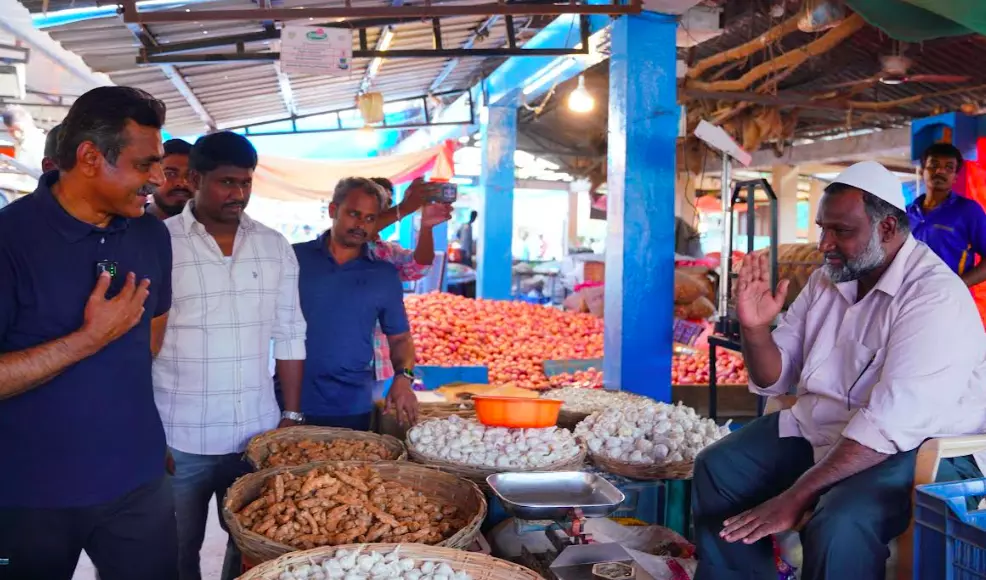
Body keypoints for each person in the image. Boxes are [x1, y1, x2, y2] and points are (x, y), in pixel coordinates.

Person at [692, 161, 986, 580]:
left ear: (886, 229)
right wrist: (755, 330)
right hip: (832, 429)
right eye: (822, 228)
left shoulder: (933, 297)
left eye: (841, 231)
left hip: (916, 448)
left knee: (840, 521)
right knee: (718, 467)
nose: (824, 243)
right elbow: (774, 376)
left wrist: (795, 497)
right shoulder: (827, 281)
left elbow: (887, 427)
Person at [0, 86, 178, 580]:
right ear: (89, 157)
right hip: (27, 495)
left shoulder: (150, 235)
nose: (159, 179)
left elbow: (149, 343)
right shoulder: (10, 240)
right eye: (145, 165)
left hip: (137, 484)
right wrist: (86, 340)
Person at [153, 131, 307, 580]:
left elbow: (290, 331)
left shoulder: (274, 246)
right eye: (226, 182)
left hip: (253, 433)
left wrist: (292, 415)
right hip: (178, 436)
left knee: (253, 548)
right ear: (195, 178)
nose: (238, 194)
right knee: (176, 550)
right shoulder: (158, 243)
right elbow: (138, 344)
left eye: (246, 183)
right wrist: (145, 428)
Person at [294, 177, 419, 431]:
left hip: (352, 407)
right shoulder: (293, 258)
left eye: (370, 218)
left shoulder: (383, 275)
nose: (361, 224)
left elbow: (401, 339)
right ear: (333, 210)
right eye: (354, 214)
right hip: (290, 402)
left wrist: (403, 379)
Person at [367, 177, 452, 403]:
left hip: (377, 358)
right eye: (379, 205)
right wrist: (405, 208)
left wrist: (426, 227)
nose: (385, 211)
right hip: (338, 360)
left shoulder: (386, 251)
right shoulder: (339, 245)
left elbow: (419, 266)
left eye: (388, 205)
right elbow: (361, 231)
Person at [906, 142, 986, 288]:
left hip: (950, 302)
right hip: (907, 299)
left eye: (949, 167)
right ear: (922, 171)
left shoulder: (968, 211)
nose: (940, 171)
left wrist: (958, 285)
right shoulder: (906, 213)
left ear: (955, 177)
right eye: (933, 164)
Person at [146, 138, 194, 220]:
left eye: (189, 175)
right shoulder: (124, 226)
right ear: (152, 177)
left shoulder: (213, 228)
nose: (182, 183)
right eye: (170, 174)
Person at [2, 105, 45, 171]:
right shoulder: (21, 143)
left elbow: (35, 169)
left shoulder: (38, 142)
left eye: (15, 129)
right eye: (10, 131)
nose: (14, 134)